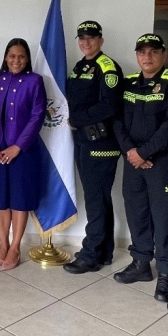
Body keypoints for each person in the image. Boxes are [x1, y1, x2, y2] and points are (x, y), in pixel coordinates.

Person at [110, 34, 168, 302]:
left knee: (164, 218)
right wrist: (131, 151)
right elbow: (117, 120)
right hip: (133, 161)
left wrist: (144, 152)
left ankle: (166, 273)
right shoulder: (129, 83)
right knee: (136, 213)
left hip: (162, 162)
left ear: (163, 55)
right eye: (142, 52)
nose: (147, 57)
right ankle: (141, 264)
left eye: (153, 52)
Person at [61, 21, 124, 274]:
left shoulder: (107, 67)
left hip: (101, 144)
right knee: (99, 199)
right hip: (84, 141)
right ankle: (104, 250)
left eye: (91, 37)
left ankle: (89, 255)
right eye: (82, 38)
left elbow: (109, 106)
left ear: (101, 39)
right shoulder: (81, 66)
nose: (86, 42)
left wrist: (77, 120)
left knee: (96, 201)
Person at [0, 38, 46, 271]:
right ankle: (2, 244)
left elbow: (37, 116)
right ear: (5, 57)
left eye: (20, 56)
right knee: (0, 198)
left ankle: (16, 247)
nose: (16, 60)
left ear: (27, 58)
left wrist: (18, 146)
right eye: (12, 56)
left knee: (19, 199)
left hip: (23, 152)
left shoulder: (35, 81)